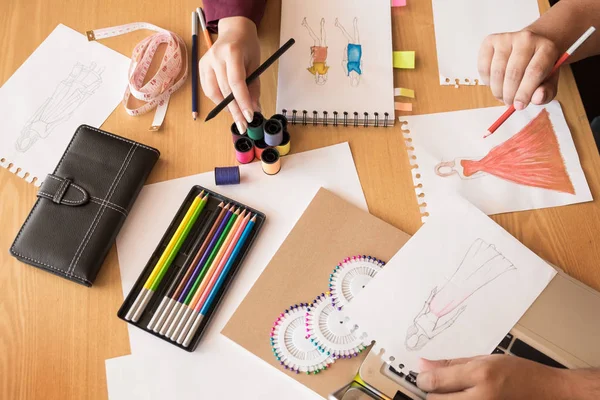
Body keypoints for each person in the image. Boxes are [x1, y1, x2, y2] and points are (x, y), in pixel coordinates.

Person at [302, 17, 330, 85]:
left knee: (316, 40)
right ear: (323, 78)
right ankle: (322, 25)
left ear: (317, 79)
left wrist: (311, 55)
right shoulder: (324, 72)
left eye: (319, 80)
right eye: (322, 80)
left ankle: (306, 25)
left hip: (316, 57)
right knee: (323, 40)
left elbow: (309, 63)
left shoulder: (314, 72)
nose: (321, 79)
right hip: (323, 57)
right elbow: (326, 64)